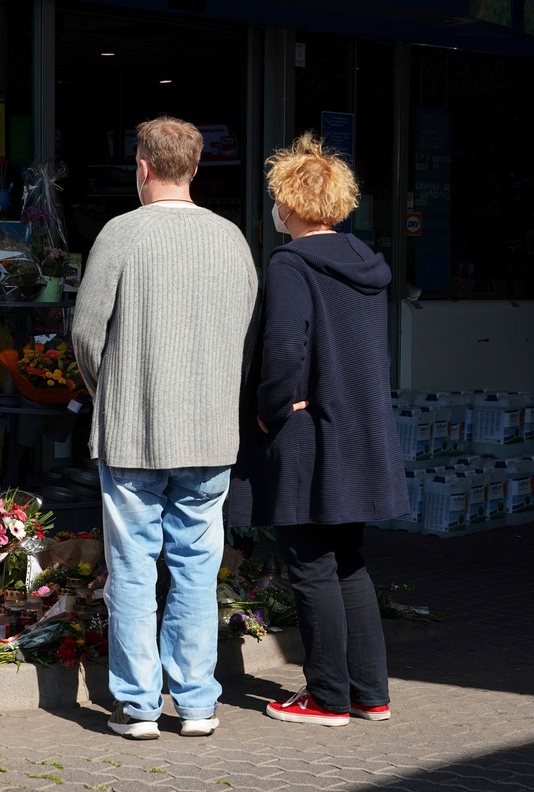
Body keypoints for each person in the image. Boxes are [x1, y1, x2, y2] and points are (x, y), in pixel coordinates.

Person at [73, 116, 258, 740]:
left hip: (134, 431)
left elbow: (85, 336)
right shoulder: (232, 238)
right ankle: (199, 703)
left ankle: (138, 706)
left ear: (143, 167)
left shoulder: (121, 234)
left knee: (132, 568)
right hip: (209, 431)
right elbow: (245, 335)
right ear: (196, 168)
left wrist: (111, 392)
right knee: (197, 570)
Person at [228, 132, 408, 727]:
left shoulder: (290, 264)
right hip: (360, 430)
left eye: (279, 199)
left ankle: (327, 697)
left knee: (308, 561)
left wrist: (271, 409)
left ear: (295, 205)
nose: (275, 210)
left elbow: (284, 346)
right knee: (348, 559)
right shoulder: (366, 266)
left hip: (309, 433)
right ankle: (370, 693)